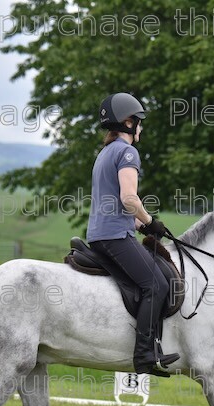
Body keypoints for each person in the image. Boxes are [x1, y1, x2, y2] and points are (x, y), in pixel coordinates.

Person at [86, 92, 180, 375]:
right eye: (139, 122)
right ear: (128, 122)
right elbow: (129, 198)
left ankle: (155, 347)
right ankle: (144, 355)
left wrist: (140, 226)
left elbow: (112, 203)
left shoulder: (105, 153)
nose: (141, 128)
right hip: (114, 237)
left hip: (104, 233)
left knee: (160, 278)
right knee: (157, 285)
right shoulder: (128, 152)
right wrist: (150, 221)